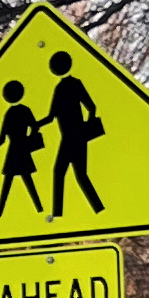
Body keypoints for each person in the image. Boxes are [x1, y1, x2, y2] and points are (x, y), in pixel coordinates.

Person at [45, 51, 105, 219]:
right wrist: (35, 125)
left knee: (66, 173)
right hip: (70, 137)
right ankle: (96, 208)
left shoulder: (74, 84)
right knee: (73, 174)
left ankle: (61, 213)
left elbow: (91, 107)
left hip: (75, 137)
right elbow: (51, 116)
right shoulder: (60, 88)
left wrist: (85, 128)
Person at [0, 79, 45, 216]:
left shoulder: (10, 113)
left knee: (11, 183)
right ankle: (38, 209)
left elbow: (2, 138)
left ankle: (0, 213)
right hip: (22, 150)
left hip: (14, 150)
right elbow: (34, 127)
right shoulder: (24, 110)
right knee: (25, 181)